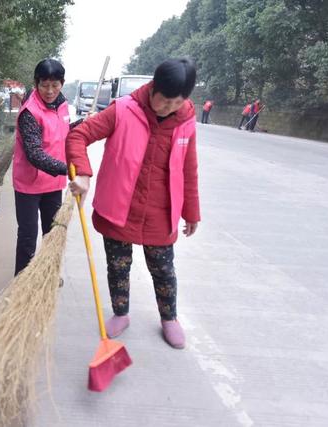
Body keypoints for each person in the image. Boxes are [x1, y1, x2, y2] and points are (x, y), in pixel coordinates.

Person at [66, 58, 200, 350]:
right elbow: (79, 135)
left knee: (164, 269)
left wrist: (191, 211)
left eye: (175, 103)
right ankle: (121, 313)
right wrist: (84, 174)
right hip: (119, 206)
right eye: (163, 101)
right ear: (153, 88)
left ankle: (169, 318)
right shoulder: (123, 110)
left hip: (160, 212)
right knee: (118, 266)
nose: (167, 108)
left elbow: (189, 168)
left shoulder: (186, 121)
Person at [13, 59, 71, 276]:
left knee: (52, 233)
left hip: (53, 183)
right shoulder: (30, 111)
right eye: (44, 85)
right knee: (28, 236)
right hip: (29, 184)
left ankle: (48, 276)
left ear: (62, 83)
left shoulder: (63, 105)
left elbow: (63, 133)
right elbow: (34, 153)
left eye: (55, 85)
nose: (49, 91)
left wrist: (84, 125)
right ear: (36, 83)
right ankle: (21, 280)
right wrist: (66, 168)